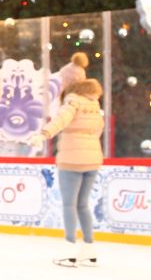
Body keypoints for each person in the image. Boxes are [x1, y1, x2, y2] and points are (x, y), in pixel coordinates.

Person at [41, 77, 105, 267]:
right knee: (83, 205)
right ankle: (89, 249)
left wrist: (45, 133)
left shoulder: (72, 101)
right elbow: (99, 130)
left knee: (69, 204)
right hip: (93, 159)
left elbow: (60, 120)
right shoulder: (94, 105)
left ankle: (70, 249)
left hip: (71, 160)